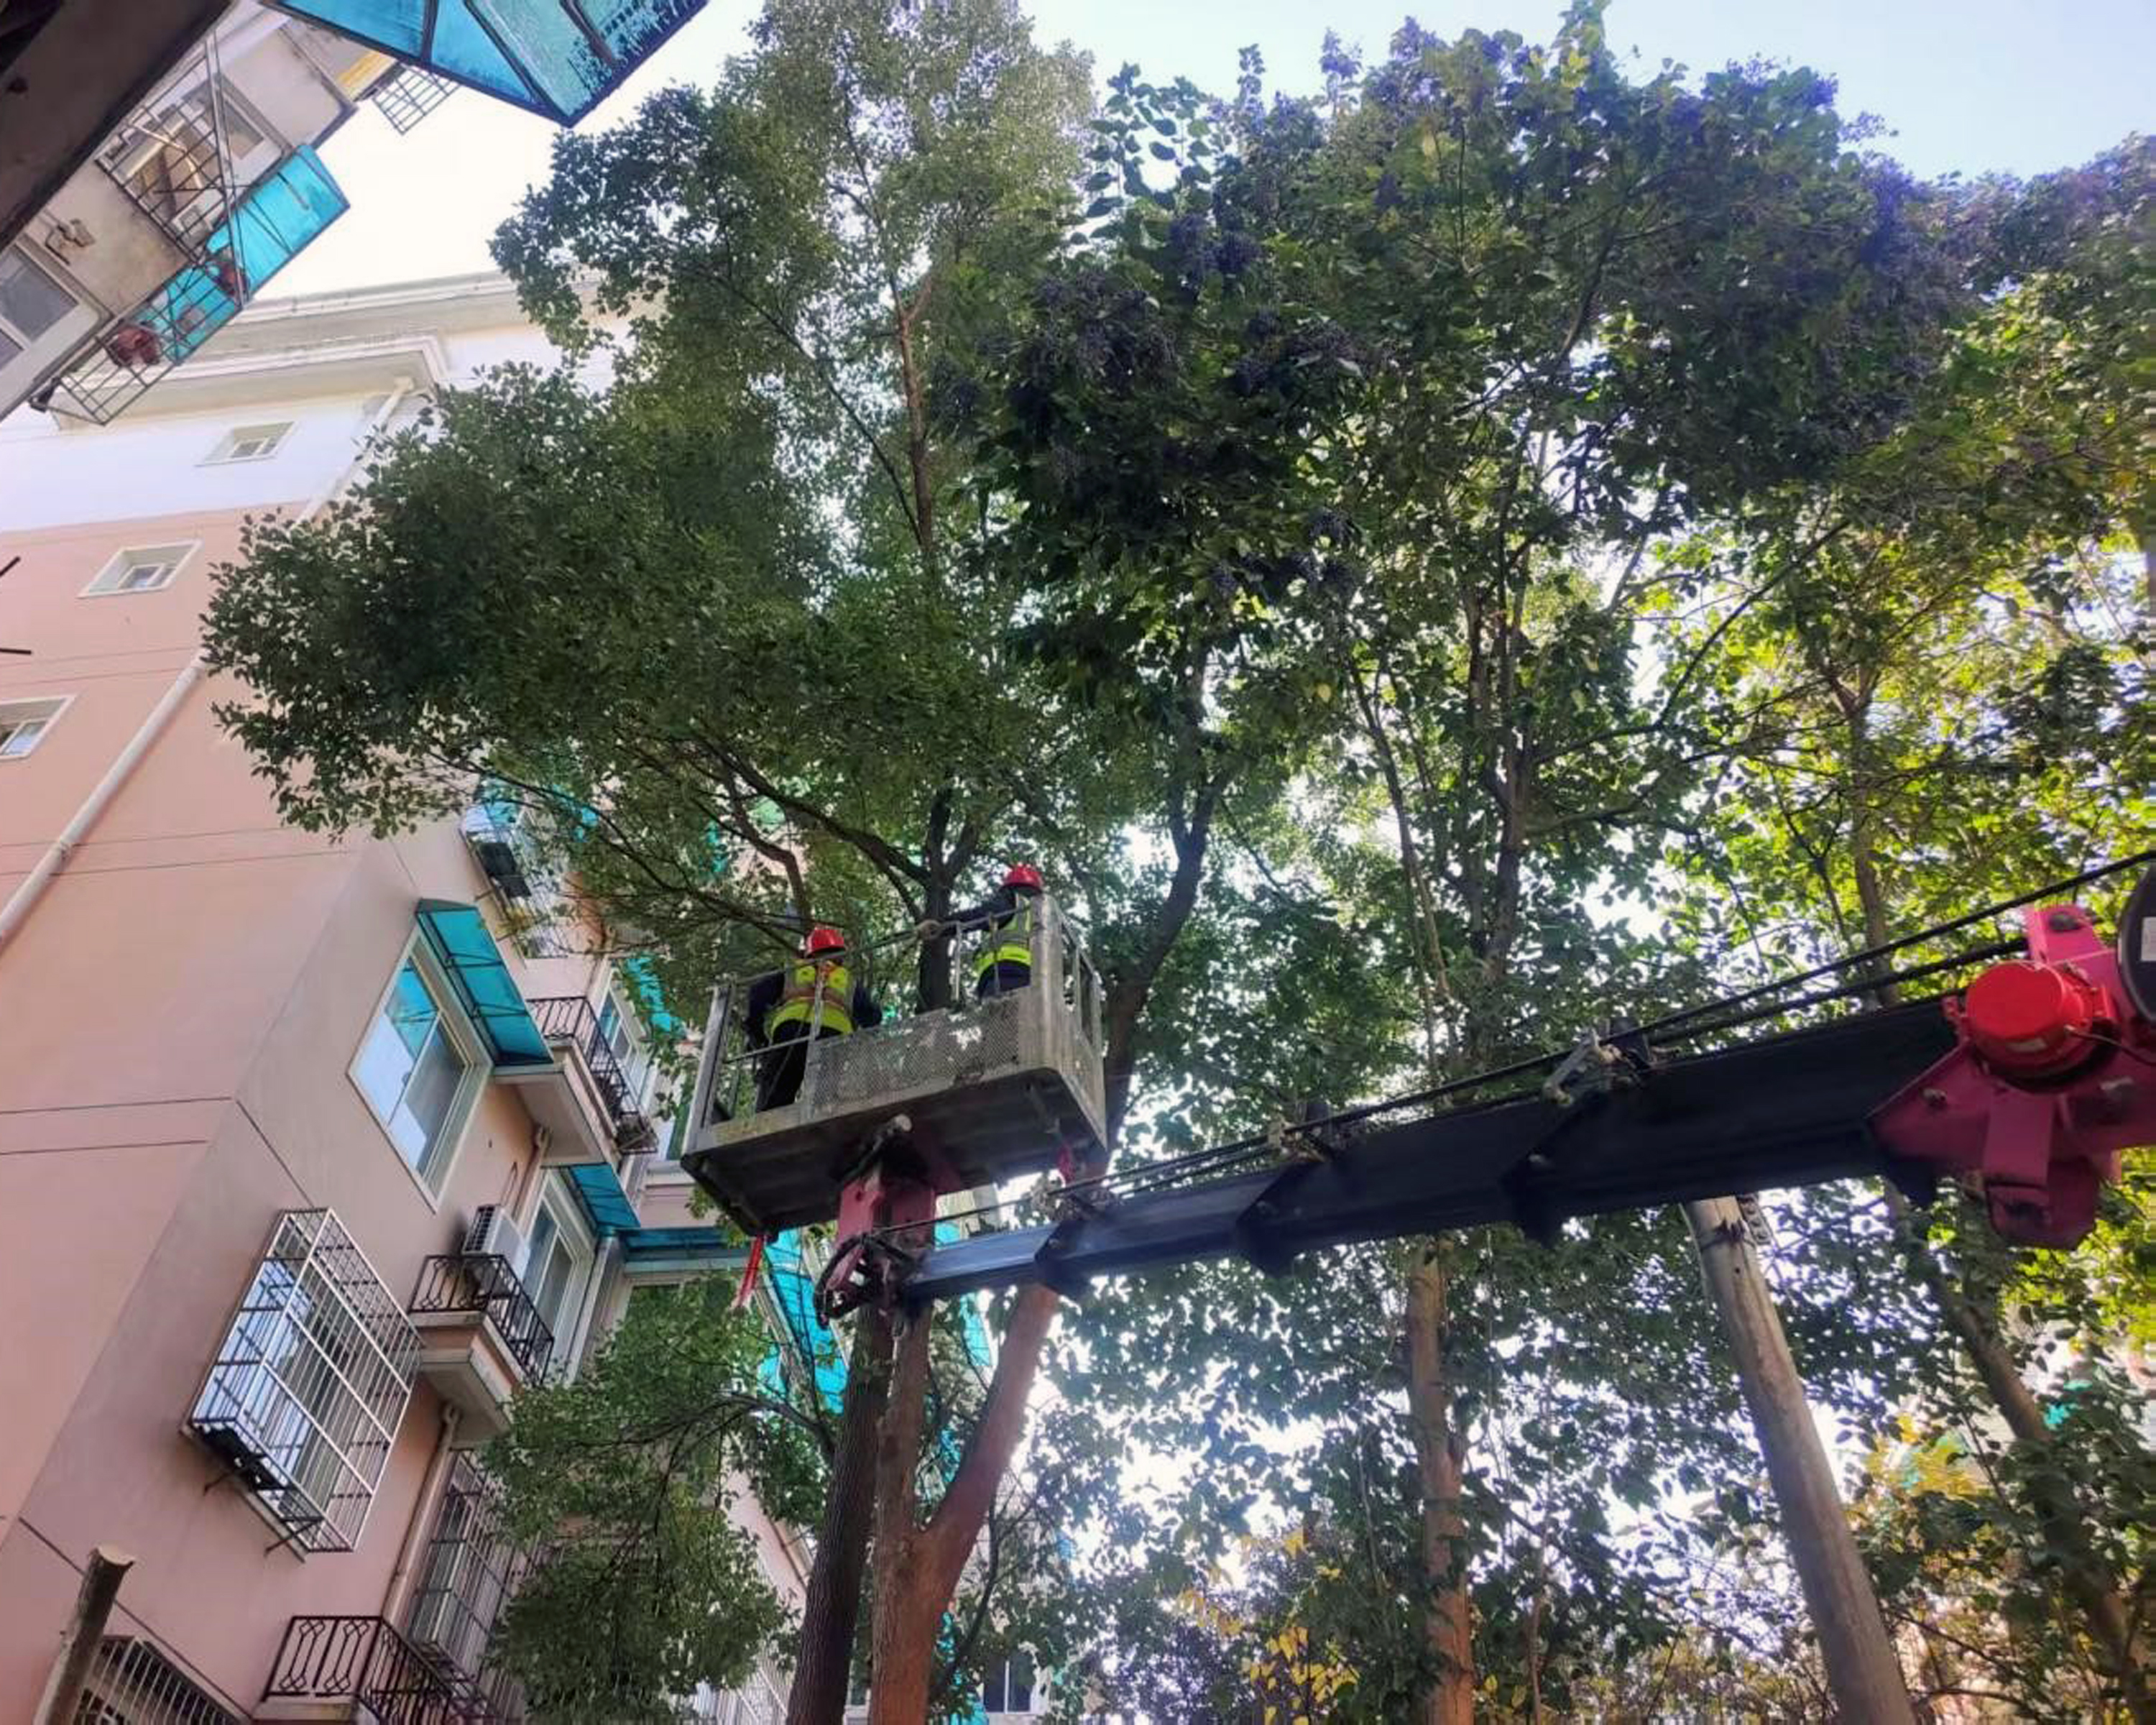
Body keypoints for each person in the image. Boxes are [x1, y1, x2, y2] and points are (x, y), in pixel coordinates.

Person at [744, 926, 880, 1112]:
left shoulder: (792, 971)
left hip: (791, 1033)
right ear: (840, 955)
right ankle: (822, 1118)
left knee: (777, 1089)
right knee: (824, 1097)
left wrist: (756, 1033)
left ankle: (766, 1123)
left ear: (810, 953)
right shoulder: (848, 981)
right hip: (834, 1037)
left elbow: (757, 994)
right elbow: (872, 1017)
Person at [946, 864, 1045, 1001]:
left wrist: (942, 925)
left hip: (1005, 974)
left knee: (999, 1013)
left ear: (1009, 888)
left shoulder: (1011, 900)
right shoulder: (1042, 916)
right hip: (1037, 979)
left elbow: (978, 916)